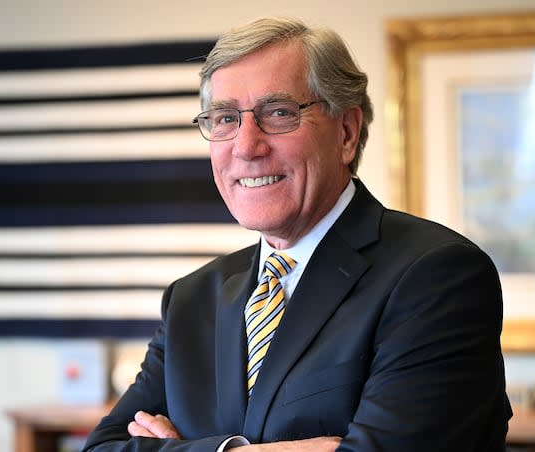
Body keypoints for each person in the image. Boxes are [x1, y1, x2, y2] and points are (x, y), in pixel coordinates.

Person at [82, 16, 512, 452]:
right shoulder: (192, 300)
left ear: (346, 132)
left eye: (279, 113)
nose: (246, 146)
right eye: (225, 118)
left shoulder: (437, 275)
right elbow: (101, 448)